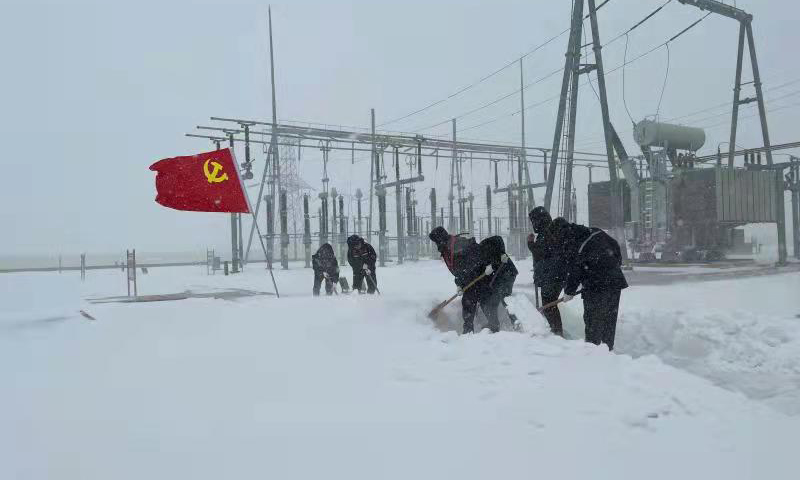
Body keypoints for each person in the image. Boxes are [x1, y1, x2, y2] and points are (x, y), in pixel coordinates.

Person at [558, 221, 629, 350]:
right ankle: (608, 351)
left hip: (596, 287)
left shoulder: (574, 244)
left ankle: (592, 355)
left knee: (593, 323)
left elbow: (575, 270)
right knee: (609, 321)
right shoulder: (596, 232)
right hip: (615, 283)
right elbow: (615, 247)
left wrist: (569, 291)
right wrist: (612, 267)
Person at [527, 207, 569, 336]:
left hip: (553, 276)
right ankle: (556, 331)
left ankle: (556, 333)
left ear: (538, 220)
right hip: (554, 275)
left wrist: (530, 244)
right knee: (549, 305)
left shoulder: (548, 233)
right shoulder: (550, 232)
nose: (533, 224)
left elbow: (542, 253)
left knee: (549, 305)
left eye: (533, 221)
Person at [478, 235, 518, 332]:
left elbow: (498, 238)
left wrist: (501, 253)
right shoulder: (480, 254)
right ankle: (493, 324)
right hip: (498, 277)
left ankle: (517, 322)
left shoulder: (484, 245)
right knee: (490, 301)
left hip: (506, 272)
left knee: (505, 297)